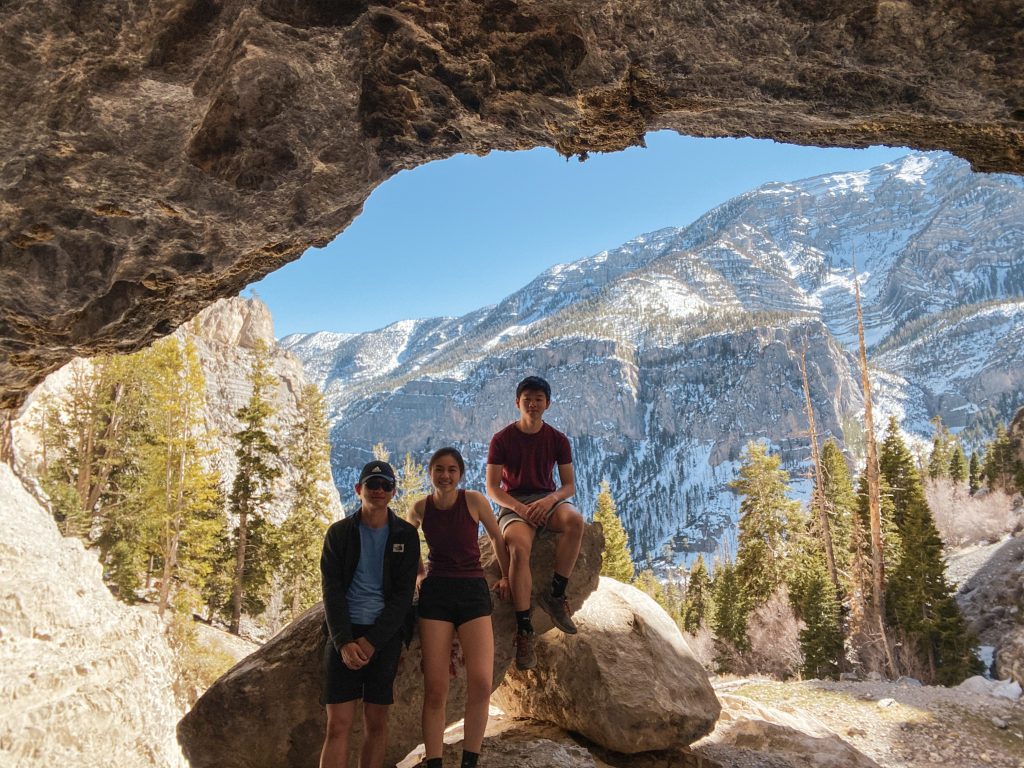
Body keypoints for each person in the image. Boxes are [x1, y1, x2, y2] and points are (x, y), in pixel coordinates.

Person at [408, 447, 511, 768]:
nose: (446, 475)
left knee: (480, 683)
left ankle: (470, 760)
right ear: (430, 473)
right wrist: (419, 574)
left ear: (461, 473)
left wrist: (507, 575)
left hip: (472, 592)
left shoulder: (474, 501)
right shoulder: (420, 507)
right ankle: (435, 761)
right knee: (436, 688)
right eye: (439, 469)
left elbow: (496, 537)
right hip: (436, 595)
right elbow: (406, 542)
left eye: (452, 469)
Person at [319, 460, 420, 768]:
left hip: (384, 637)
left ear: (393, 492)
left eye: (386, 485)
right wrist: (344, 641)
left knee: (377, 723)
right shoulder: (339, 534)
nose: (379, 491)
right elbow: (331, 591)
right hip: (345, 634)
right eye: (372, 485)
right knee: (338, 725)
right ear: (358, 489)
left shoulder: (405, 534)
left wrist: (372, 641)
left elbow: (404, 596)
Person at [485, 375, 585, 670]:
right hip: (514, 505)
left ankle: (555, 595)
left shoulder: (557, 439)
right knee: (518, 549)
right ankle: (524, 627)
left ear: (547, 404)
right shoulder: (502, 439)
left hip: (546, 501)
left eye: (538, 399)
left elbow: (569, 486)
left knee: (575, 522)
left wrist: (549, 500)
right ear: (517, 403)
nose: (533, 404)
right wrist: (519, 507)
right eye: (527, 399)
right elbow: (492, 488)